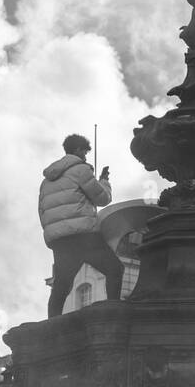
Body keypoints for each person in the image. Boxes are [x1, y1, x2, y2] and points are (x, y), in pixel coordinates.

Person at [39, 133, 124, 318]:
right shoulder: (80, 170)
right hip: (84, 235)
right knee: (115, 270)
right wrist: (104, 181)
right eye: (85, 152)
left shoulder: (47, 180)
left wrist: (54, 233)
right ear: (78, 150)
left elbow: (42, 211)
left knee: (61, 284)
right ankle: (113, 315)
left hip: (59, 239)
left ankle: (52, 324)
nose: (85, 156)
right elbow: (102, 198)